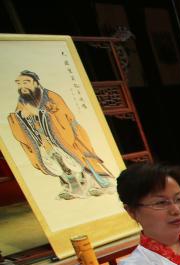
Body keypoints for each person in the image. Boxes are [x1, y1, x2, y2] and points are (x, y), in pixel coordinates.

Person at [7, 70, 115, 199]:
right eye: (19, 83)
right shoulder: (22, 102)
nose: (22, 86)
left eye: (26, 82)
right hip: (44, 141)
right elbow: (21, 124)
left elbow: (63, 116)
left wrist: (36, 112)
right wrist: (20, 117)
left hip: (67, 135)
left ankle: (100, 184)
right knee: (60, 164)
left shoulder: (51, 96)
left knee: (82, 159)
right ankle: (72, 188)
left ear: (35, 83)